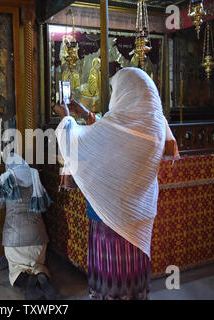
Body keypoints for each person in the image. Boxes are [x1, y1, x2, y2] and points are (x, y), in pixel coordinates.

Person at [53, 67, 178, 300]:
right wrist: (88, 114)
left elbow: (79, 141)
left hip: (108, 215)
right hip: (140, 213)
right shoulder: (154, 124)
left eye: (114, 90)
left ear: (125, 92)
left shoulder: (120, 127)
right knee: (133, 271)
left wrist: (66, 117)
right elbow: (116, 133)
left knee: (111, 272)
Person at [0, 153, 57, 300]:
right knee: (37, 264)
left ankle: (28, 283)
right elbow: (44, 204)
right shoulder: (35, 178)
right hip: (39, 237)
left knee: (16, 269)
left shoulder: (6, 180)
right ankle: (41, 277)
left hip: (14, 239)